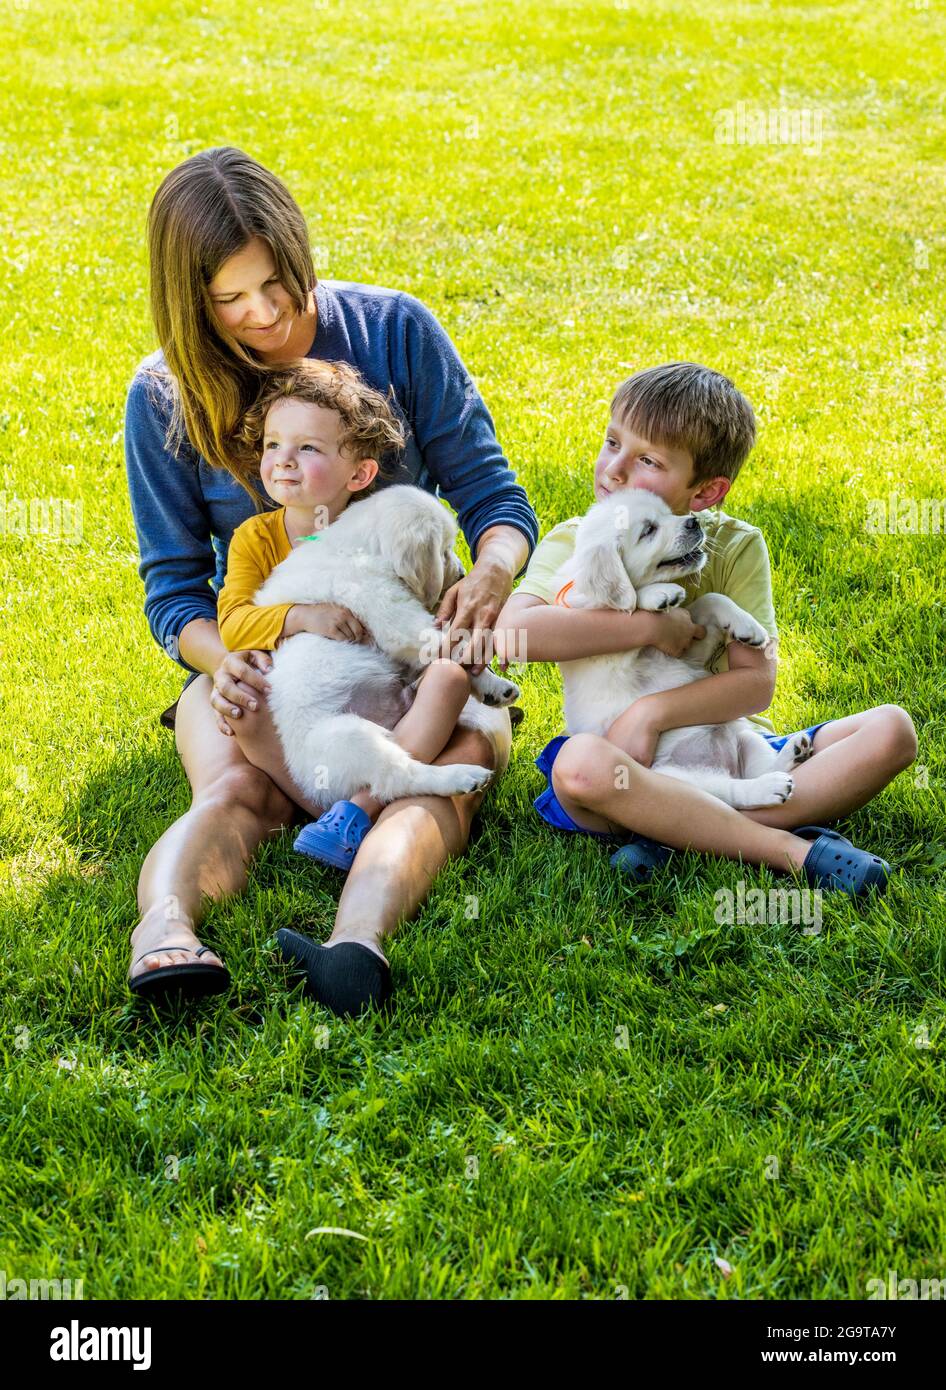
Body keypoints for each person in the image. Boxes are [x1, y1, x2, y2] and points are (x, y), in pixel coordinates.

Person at [124, 146, 537, 1016]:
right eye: (230, 300)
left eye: (277, 283)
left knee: (451, 767)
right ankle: (165, 932)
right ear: (187, 300)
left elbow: (493, 496)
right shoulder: (165, 396)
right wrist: (220, 660)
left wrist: (491, 574)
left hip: (419, 663)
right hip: (264, 661)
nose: (264, 314)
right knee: (238, 786)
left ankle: (355, 943)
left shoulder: (394, 330)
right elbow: (174, 592)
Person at [495, 362, 917, 893]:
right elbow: (515, 634)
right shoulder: (580, 540)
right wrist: (649, 629)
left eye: (647, 459)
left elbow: (756, 686)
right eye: (611, 443)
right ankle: (790, 849)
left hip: (729, 745)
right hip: (631, 766)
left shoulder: (737, 546)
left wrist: (652, 712)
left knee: (893, 730)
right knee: (580, 766)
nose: (615, 469)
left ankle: (674, 828)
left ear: (705, 493)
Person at [216, 356, 493, 870]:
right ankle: (346, 807)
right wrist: (300, 616)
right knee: (268, 719)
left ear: (361, 473)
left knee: (448, 681)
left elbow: (414, 617)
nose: (283, 459)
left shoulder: (386, 532)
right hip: (312, 715)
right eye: (273, 444)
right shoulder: (254, 538)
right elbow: (232, 624)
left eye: (308, 448)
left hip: (390, 691)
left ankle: (357, 809)